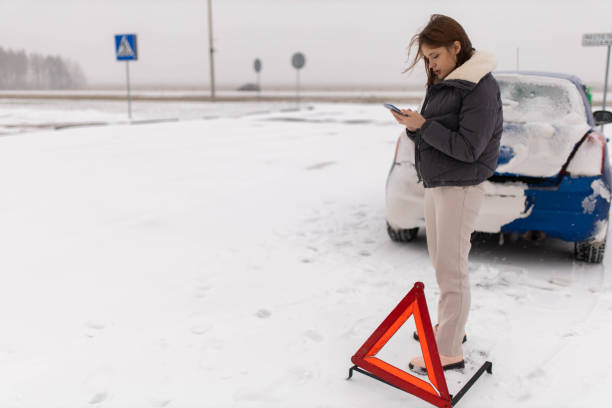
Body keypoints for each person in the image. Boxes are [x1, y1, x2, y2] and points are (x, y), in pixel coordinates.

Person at [389, 14, 503, 374]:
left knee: (452, 271)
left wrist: (424, 126)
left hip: (461, 187)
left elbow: (469, 148)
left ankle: (449, 350)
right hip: (440, 183)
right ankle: (450, 329)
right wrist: (415, 128)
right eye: (427, 59)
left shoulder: (479, 87)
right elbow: (438, 133)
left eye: (435, 56)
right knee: (443, 265)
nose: (431, 65)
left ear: (456, 47)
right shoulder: (449, 83)